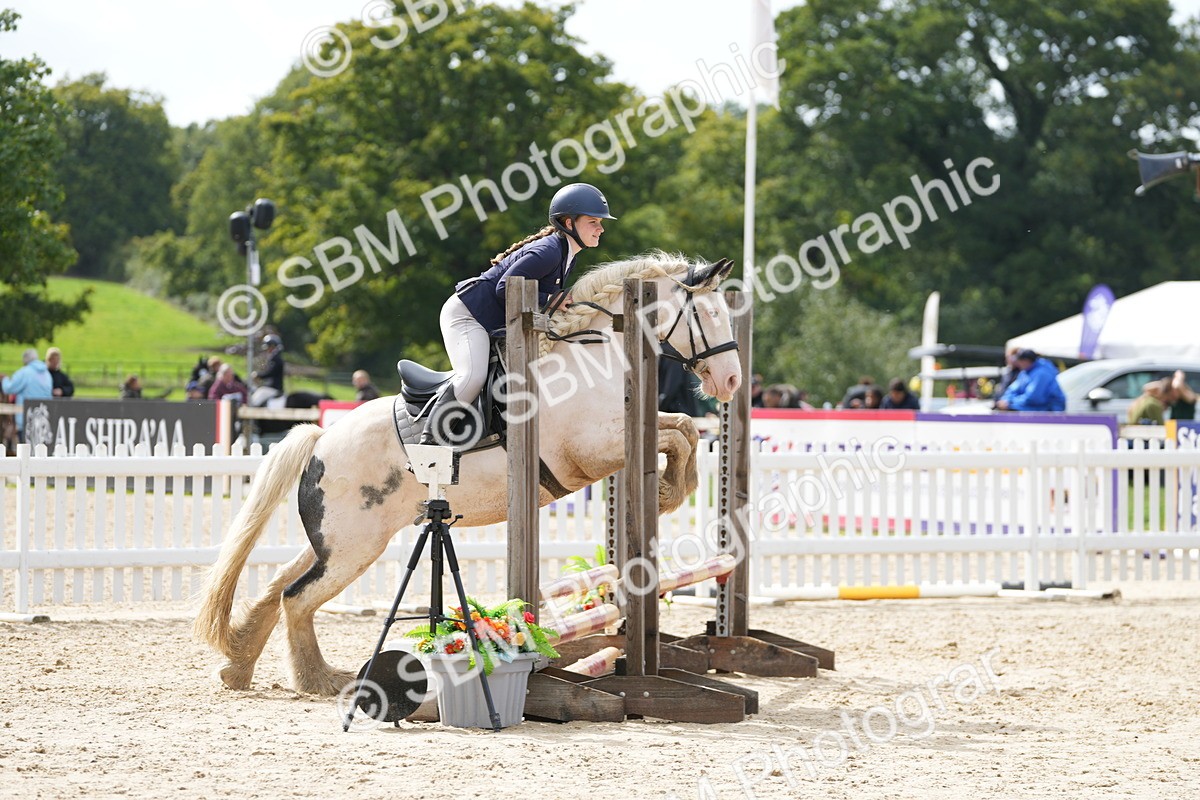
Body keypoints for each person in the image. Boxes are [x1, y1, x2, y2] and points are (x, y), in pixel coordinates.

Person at [420, 182, 615, 444]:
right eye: (593, 222)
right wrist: (551, 299)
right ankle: (429, 440)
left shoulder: (566, 253)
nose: (601, 228)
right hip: (468, 316)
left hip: (490, 321)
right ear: (569, 223)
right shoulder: (549, 252)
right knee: (473, 377)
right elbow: (506, 288)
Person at [1, 348, 53, 441]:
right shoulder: (47, 374)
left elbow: (8, 388)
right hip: (44, 420)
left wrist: (4, 379)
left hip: (26, 420)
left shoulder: (25, 372)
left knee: (25, 450)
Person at [995, 349, 1066, 412]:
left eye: (1019, 361)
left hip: (1049, 411)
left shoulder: (1042, 373)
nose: (1018, 364)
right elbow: (1012, 390)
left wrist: (1010, 403)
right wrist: (1006, 400)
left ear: (1026, 361)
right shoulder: (1025, 372)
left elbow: (1034, 398)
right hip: (1032, 408)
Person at [251, 334, 285, 406]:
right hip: (272, 387)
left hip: (274, 389)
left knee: (255, 399)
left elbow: (270, 373)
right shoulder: (275, 358)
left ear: (272, 346)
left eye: (269, 347)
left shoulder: (276, 359)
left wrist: (258, 375)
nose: (267, 350)